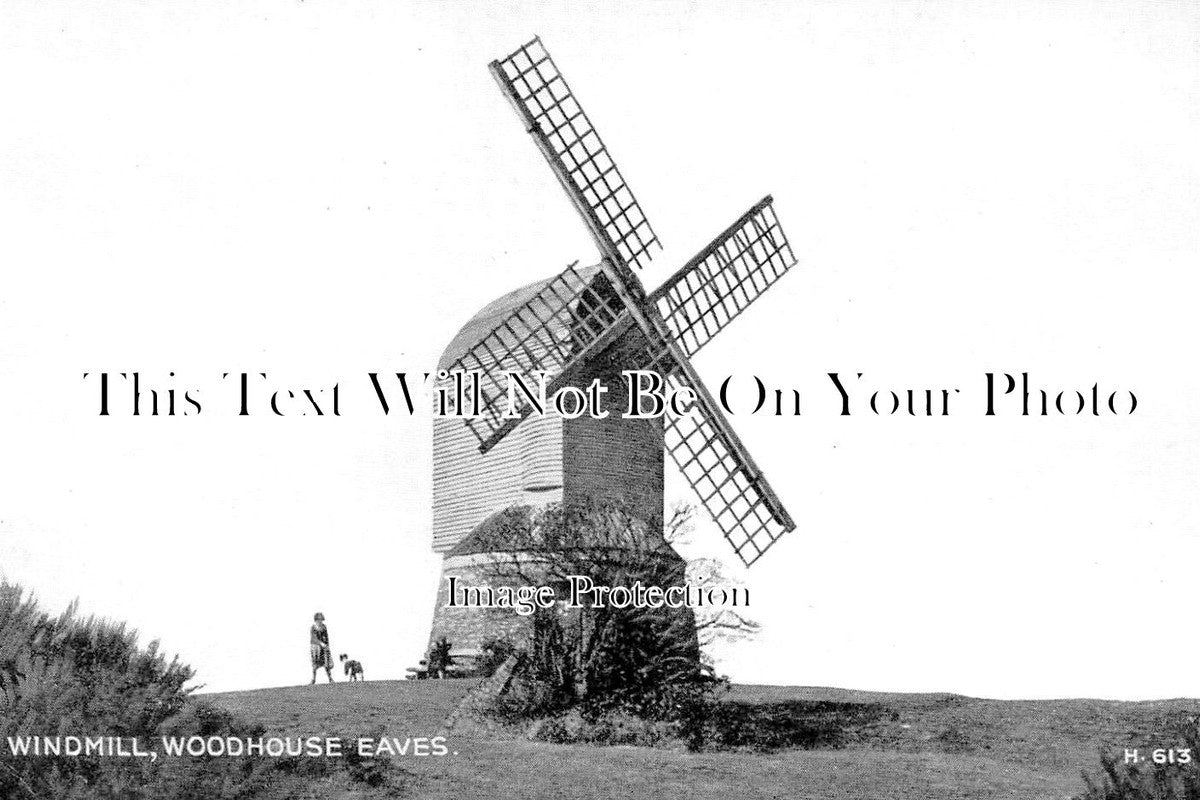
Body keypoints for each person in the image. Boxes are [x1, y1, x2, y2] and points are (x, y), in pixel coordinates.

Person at [310, 612, 334, 684]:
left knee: (326, 663)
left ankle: (330, 679)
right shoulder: (313, 628)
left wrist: (327, 645)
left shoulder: (324, 627)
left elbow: (326, 637)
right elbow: (313, 638)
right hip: (316, 648)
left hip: (323, 648)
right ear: (316, 620)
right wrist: (321, 643)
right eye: (318, 619)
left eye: (321, 619)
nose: (320, 621)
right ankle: (313, 679)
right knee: (315, 664)